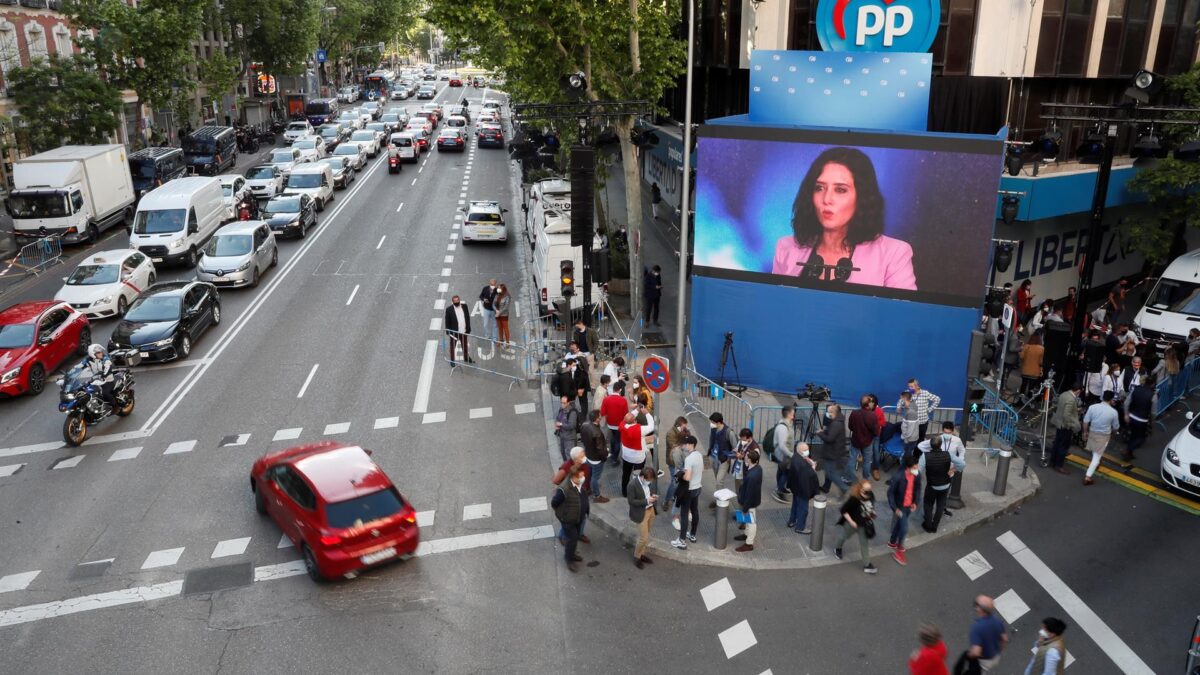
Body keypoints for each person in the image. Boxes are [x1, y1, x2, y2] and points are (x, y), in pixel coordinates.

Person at [771, 147, 916, 289]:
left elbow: (904, 312)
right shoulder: (786, 248)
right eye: (819, 188)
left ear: (862, 197)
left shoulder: (894, 254)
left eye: (840, 190)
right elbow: (773, 307)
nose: (827, 199)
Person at [834, 479, 878, 575]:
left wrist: (872, 513)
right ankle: (838, 548)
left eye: (869, 490)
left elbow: (870, 506)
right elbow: (843, 510)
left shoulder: (870, 495)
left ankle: (867, 565)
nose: (867, 493)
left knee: (864, 544)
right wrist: (851, 521)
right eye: (865, 491)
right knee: (844, 536)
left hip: (864, 524)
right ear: (860, 489)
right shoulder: (854, 499)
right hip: (852, 524)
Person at [550, 466, 589, 573]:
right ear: (573, 477)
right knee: (572, 539)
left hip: (578, 517)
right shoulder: (564, 489)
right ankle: (569, 559)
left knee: (575, 538)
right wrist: (564, 516)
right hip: (568, 520)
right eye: (580, 477)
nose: (582, 478)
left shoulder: (578, 483)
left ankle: (572, 554)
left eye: (582, 476)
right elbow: (554, 503)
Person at [919, 435, 958, 534]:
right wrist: (952, 470)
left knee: (928, 504)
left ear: (930, 445)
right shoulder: (948, 454)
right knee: (940, 505)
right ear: (941, 444)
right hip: (945, 484)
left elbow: (918, 471)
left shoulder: (925, 456)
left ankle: (928, 525)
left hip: (932, 485)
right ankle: (935, 526)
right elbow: (961, 463)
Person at [552, 447, 591, 545]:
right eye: (582, 456)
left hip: (582, 495)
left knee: (582, 517)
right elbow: (556, 480)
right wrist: (569, 487)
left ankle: (579, 534)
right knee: (568, 522)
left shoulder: (584, 465)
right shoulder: (566, 467)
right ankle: (562, 536)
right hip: (571, 499)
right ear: (575, 459)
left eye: (584, 454)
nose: (584, 457)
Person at [888, 454, 921, 566]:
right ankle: (899, 549)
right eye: (915, 467)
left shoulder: (917, 475)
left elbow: (917, 489)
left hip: (908, 506)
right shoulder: (898, 477)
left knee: (899, 526)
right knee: (904, 528)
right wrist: (895, 508)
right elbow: (890, 493)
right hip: (901, 507)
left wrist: (915, 502)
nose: (917, 469)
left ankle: (892, 542)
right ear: (908, 467)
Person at [671, 434, 704, 549]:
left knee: (684, 514)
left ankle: (682, 540)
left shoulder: (689, 459)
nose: (684, 445)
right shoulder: (699, 455)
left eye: (685, 444)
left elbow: (687, 477)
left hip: (689, 490)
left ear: (691, 445)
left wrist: (680, 474)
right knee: (695, 511)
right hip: (697, 487)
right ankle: (693, 535)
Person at [967, 595, 1009, 673]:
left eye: (976, 604)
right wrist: (998, 650)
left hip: (984, 661)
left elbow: (976, 652)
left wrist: (970, 655)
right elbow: (1005, 639)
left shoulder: (977, 628)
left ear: (980, 609)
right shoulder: (997, 621)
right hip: (995, 657)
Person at [627, 466, 658, 569]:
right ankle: (637, 557)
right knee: (643, 538)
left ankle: (642, 554)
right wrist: (647, 501)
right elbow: (631, 501)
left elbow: (648, 492)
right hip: (641, 513)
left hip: (650, 511)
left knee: (647, 535)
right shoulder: (632, 485)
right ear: (642, 477)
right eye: (648, 480)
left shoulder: (647, 482)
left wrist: (653, 497)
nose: (649, 482)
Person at [816, 403, 850, 496]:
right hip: (834, 451)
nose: (827, 413)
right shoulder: (838, 420)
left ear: (833, 413)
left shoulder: (836, 424)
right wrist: (825, 431)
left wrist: (820, 434)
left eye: (828, 412)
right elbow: (832, 433)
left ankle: (843, 487)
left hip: (832, 452)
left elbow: (830, 438)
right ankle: (826, 487)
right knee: (829, 471)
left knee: (830, 473)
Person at [734, 449, 763, 552]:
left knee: (751, 523)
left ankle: (749, 543)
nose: (745, 457)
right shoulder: (758, 468)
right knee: (748, 521)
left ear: (750, 460)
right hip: (752, 500)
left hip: (749, 502)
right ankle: (746, 535)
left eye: (746, 456)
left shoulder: (751, 476)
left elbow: (749, 494)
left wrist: (745, 508)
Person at [787, 443, 819, 534]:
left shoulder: (795, 458)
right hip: (803, 490)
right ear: (799, 451)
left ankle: (792, 521)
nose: (807, 451)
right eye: (805, 450)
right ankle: (800, 527)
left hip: (796, 488)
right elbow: (809, 475)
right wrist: (813, 468)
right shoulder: (802, 464)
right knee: (803, 509)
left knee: (795, 505)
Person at [1123, 375, 1156, 462]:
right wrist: (1152, 421)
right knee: (1141, 438)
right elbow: (1153, 412)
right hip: (1142, 419)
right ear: (1153, 384)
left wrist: (1126, 414)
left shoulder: (1135, 390)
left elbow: (1126, 403)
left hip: (1131, 416)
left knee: (1133, 435)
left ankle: (1129, 452)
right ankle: (1129, 450)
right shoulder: (1153, 395)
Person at [580, 410, 610, 503]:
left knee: (590, 473)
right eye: (600, 415)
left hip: (588, 454)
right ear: (597, 419)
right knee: (595, 478)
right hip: (596, 459)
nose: (601, 416)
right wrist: (605, 456)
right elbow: (600, 449)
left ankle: (588, 489)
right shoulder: (597, 433)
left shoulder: (584, 425)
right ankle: (597, 496)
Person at [848, 395, 879, 481]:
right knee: (867, 461)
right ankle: (865, 480)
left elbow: (850, 427)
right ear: (868, 404)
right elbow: (876, 432)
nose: (873, 403)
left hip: (855, 441)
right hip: (867, 442)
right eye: (871, 402)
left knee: (852, 459)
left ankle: (849, 478)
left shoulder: (854, 413)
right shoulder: (872, 416)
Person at [707, 412, 738, 502]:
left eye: (713, 422)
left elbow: (735, 448)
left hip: (723, 460)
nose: (711, 424)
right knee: (717, 480)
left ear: (719, 422)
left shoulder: (729, 432)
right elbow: (711, 441)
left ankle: (720, 502)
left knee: (719, 481)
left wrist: (728, 457)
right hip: (713, 457)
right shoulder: (713, 429)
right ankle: (719, 498)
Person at [600, 381, 629, 467]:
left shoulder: (606, 399)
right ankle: (614, 458)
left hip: (610, 423)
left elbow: (602, 412)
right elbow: (625, 414)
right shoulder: (623, 400)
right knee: (617, 441)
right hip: (619, 425)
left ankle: (612, 452)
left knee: (613, 437)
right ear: (620, 390)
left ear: (613, 389)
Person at [770, 406, 795, 502]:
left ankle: (779, 487)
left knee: (781, 470)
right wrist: (791, 455)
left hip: (783, 455)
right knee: (786, 472)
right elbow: (782, 445)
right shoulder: (783, 427)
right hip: (784, 455)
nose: (794, 415)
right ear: (788, 414)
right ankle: (779, 490)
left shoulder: (786, 424)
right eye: (793, 413)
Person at [618, 412, 645, 498]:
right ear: (635, 421)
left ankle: (624, 491)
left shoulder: (622, 426)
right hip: (638, 458)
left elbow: (626, 419)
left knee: (626, 474)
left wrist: (635, 411)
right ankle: (636, 491)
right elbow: (652, 425)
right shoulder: (639, 430)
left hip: (626, 457)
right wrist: (646, 413)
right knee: (637, 476)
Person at [443, 295, 473, 366]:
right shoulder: (449, 309)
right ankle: (452, 360)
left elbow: (467, 317)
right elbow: (447, 321)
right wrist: (448, 331)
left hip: (464, 331)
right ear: (452, 302)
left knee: (465, 345)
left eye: (457, 300)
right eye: (455, 301)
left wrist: (468, 328)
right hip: (454, 332)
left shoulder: (465, 306)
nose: (456, 302)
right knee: (453, 347)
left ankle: (466, 357)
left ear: (459, 300)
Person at [1019, 334, 1045, 400]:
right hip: (1035, 372)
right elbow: (1041, 362)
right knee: (1031, 387)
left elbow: (1021, 356)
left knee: (1023, 385)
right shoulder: (1041, 349)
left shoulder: (1027, 346)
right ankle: (1029, 401)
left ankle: (1020, 400)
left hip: (1025, 370)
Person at [554, 395, 579, 462]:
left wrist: (561, 424)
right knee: (563, 454)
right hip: (562, 436)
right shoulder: (561, 409)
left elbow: (572, 425)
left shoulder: (572, 412)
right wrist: (557, 423)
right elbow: (558, 417)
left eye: (564, 403)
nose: (562, 404)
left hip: (569, 438)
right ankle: (566, 468)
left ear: (568, 403)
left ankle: (571, 470)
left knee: (570, 456)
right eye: (561, 402)